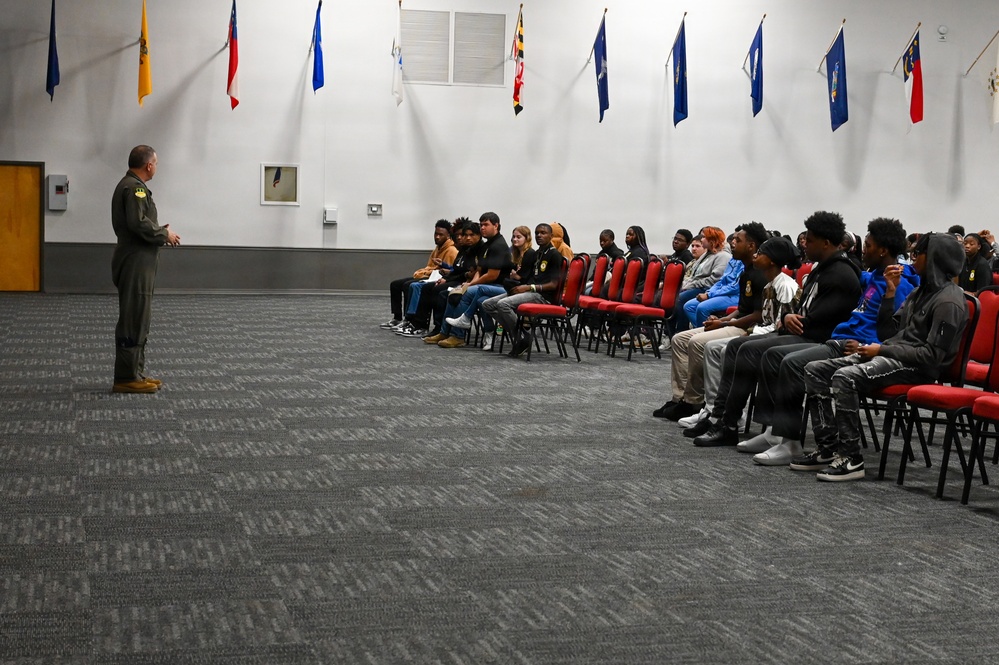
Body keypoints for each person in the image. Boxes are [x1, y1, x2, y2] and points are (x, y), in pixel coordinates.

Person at [746, 218, 918, 464]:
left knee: (792, 363)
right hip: (840, 339)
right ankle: (777, 432)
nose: (862, 250)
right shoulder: (874, 277)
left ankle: (791, 442)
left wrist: (864, 346)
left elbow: (891, 332)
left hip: (856, 347)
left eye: (868, 246)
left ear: (883, 250)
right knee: (776, 355)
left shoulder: (898, 286)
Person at [801, 233, 969, 481]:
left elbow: (931, 356)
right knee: (815, 369)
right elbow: (887, 333)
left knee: (845, 377)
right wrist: (890, 295)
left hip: (916, 368)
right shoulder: (918, 293)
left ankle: (851, 458)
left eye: (917, 254)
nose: (911, 259)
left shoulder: (949, 301)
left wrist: (881, 350)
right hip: (893, 357)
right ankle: (827, 449)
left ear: (934, 258)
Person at [690, 211, 862, 448]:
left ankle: (774, 431)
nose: (805, 244)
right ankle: (724, 420)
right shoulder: (821, 269)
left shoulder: (842, 273)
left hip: (822, 340)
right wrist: (790, 317)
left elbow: (823, 319)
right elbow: (804, 309)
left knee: (768, 354)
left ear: (826, 242)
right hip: (803, 332)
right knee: (738, 346)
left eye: (810, 240)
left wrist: (793, 319)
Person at [677, 236, 801, 430]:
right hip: (760, 332)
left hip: (775, 338)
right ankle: (714, 410)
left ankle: (731, 415)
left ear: (772, 260)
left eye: (760, 254)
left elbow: (780, 325)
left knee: (728, 349)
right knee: (715, 348)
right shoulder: (769, 284)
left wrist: (750, 333)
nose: (756, 256)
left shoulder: (784, 285)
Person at [654, 222, 770, 420]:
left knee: (697, 342)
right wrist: (723, 318)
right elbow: (742, 309)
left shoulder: (759, 274)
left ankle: (703, 405)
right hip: (736, 322)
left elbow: (759, 316)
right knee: (680, 340)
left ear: (751, 246)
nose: (732, 243)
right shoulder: (747, 271)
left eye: (737, 241)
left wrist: (724, 324)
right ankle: (683, 399)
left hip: (751, 329)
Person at [110, 145, 180, 394]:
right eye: (156, 163)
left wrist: (157, 229)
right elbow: (137, 223)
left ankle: (135, 372)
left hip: (138, 260)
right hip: (135, 262)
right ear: (148, 165)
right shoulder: (135, 188)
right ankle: (126, 377)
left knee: (139, 317)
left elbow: (138, 223)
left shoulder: (130, 185)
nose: (156, 167)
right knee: (133, 318)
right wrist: (164, 233)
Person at [480, 224, 563, 358]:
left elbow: (554, 284)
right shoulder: (538, 253)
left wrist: (530, 287)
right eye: (537, 233)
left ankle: (521, 338)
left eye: (543, 233)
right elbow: (530, 277)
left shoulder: (554, 255)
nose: (539, 236)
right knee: (487, 304)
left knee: (503, 304)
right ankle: (522, 335)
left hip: (542, 296)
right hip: (529, 291)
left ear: (551, 236)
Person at [436, 212, 512, 348]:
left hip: (500, 287)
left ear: (496, 226)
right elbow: (480, 271)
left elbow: (492, 275)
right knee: (455, 291)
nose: (482, 228)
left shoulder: (498, 246)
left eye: (486, 225)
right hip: (487, 285)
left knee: (467, 292)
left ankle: (457, 335)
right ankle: (444, 331)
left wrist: (471, 284)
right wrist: (469, 283)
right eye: (481, 224)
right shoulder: (487, 245)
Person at [384, 219, 458, 334]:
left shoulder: (451, 250)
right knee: (395, 284)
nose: (437, 237)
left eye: (441, 235)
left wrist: (424, 272)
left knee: (409, 285)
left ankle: (410, 319)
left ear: (448, 236)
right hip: (429, 275)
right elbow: (430, 266)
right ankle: (397, 318)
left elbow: (446, 271)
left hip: (436, 278)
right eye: (436, 234)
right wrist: (422, 272)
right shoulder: (437, 248)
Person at [669, 227, 730, 335]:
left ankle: (683, 331)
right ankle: (672, 332)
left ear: (712, 240)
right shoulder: (707, 255)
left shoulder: (722, 256)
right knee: (671, 295)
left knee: (681, 298)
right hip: (698, 286)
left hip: (707, 288)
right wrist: (687, 284)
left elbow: (714, 280)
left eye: (704, 237)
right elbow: (693, 274)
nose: (701, 239)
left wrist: (691, 285)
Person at [684, 231, 749, 328]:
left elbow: (735, 287)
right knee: (689, 306)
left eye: (737, 240)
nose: (733, 242)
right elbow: (722, 281)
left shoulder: (732, 258)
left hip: (734, 296)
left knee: (701, 307)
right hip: (722, 292)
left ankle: (703, 336)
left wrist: (709, 295)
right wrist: (709, 293)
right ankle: (702, 331)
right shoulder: (733, 259)